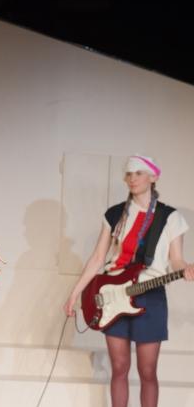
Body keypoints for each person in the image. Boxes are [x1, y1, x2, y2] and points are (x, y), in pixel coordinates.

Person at [63, 155, 194, 407]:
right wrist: (74, 294)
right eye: (129, 174)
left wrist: (186, 269)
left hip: (150, 295)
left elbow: (176, 260)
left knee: (148, 370)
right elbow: (98, 258)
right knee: (119, 367)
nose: (132, 178)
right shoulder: (115, 214)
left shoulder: (169, 217)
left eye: (139, 173)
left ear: (153, 177)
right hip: (113, 294)